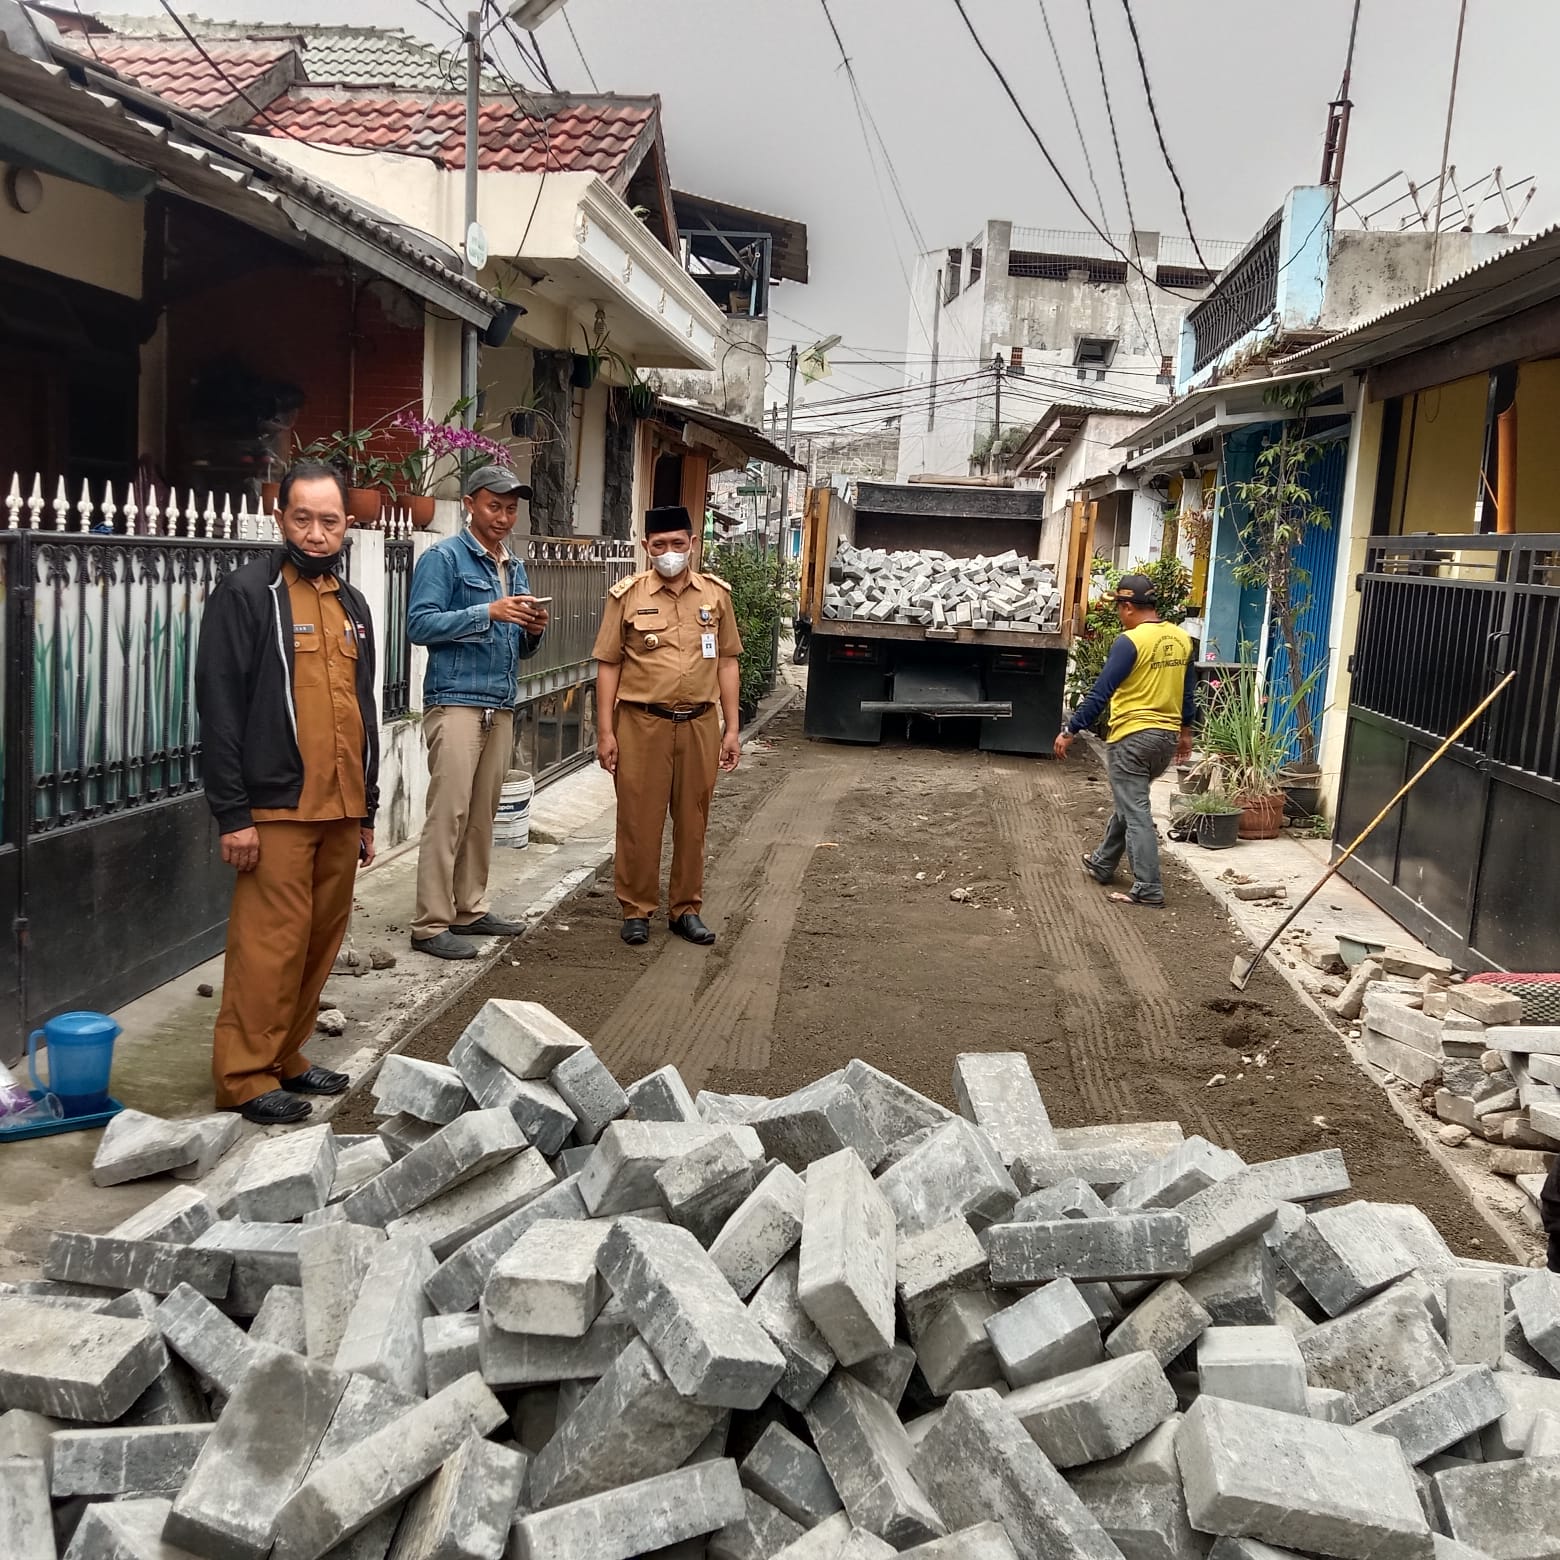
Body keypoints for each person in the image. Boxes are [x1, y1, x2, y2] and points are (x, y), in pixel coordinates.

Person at [195, 460, 379, 1124]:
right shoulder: (247, 594)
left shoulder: (352, 604)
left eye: (329, 520)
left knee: (319, 940)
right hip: (275, 808)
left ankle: (289, 1057)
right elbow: (218, 709)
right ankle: (245, 1076)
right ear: (280, 519)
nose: (317, 532)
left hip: (342, 806)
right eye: (302, 517)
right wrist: (232, 814)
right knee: (268, 946)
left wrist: (368, 810)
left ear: (347, 523)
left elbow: (362, 711)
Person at [407, 464, 550, 959]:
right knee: (449, 813)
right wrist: (485, 612)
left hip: (500, 702)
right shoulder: (444, 558)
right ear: (469, 504)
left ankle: (468, 909)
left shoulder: (515, 566)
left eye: (511, 509)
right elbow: (420, 625)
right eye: (494, 506)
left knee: (483, 815)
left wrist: (533, 628)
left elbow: (521, 646)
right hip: (456, 702)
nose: (503, 517)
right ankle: (429, 924)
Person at [592, 505, 743, 947]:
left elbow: (728, 662)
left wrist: (732, 728)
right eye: (660, 545)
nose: (670, 553)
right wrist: (605, 731)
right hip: (641, 724)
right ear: (646, 548)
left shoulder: (715, 597)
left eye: (678, 543)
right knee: (638, 819)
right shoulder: (627, 596)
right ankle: (636, 909)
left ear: (693, 544)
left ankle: (686, 909)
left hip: (699, 723)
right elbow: (608, 665)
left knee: (693, 821)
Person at [1054, 573, 1196, 908]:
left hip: (1131, 737)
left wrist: (1070, 729)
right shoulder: (1182, 639)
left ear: (1129, 606)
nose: (1120, 614)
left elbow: (1101, 692)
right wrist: (1186, 732)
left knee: (1136, 812)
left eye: (1119, 607)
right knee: (1130, 800)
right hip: (1164, 739)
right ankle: (1103, 862)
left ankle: (1148, 887)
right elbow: (1189, 693)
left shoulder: (1130, 641)